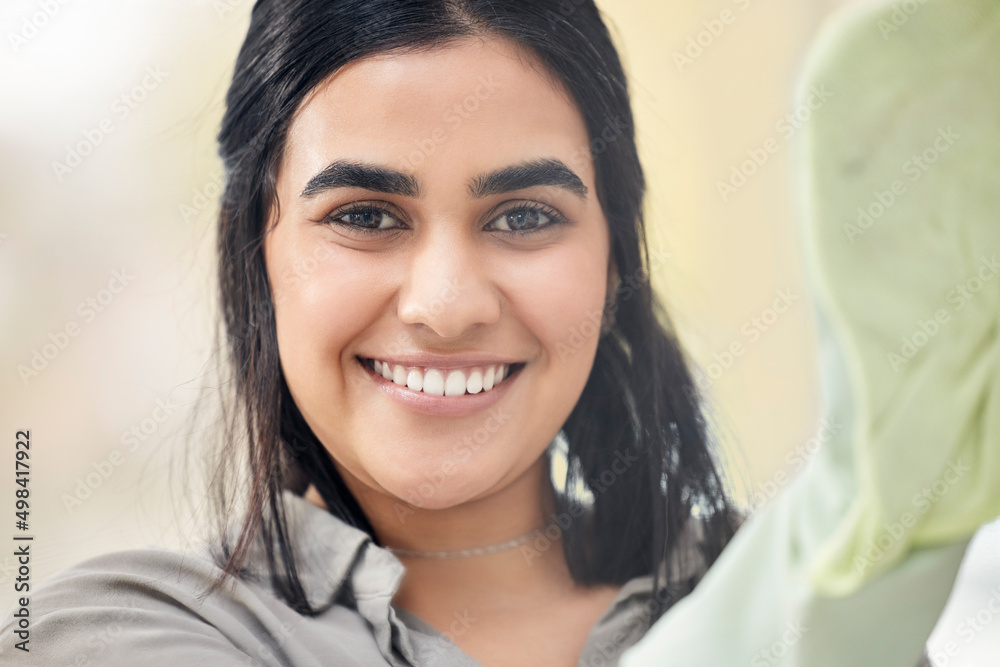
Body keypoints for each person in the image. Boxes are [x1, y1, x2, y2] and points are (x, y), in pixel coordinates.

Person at [1, 1, 739, 665]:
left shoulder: (800, 592)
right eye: (365, 216)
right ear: (254, 259)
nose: (446, 307)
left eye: (523, 216)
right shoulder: (113, 636)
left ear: (615, 261)